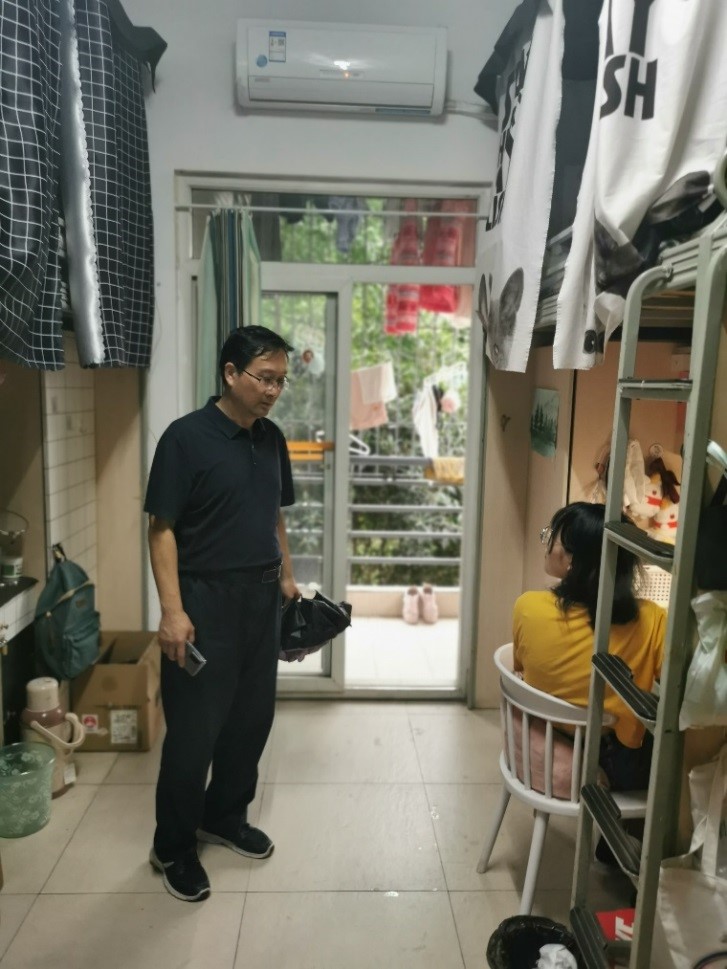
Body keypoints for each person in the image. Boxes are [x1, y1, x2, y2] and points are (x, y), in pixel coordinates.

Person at [144, 325, 299, 902]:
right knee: (193, 733)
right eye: (265, 378)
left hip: (261, 601)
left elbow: (274, 514)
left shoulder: (271, 438)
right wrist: (172, 611)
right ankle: (173, 846)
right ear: (230, 373)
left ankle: (224, 816)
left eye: (281, 381)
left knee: (251, 721)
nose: (273, 391)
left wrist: (287, 579)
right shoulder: (185, 438)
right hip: (204, 602)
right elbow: (161, 528)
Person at [512, 502, 665, 793]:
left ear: (573, 559)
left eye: (551, 536)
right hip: (610, 760)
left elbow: (521, 668)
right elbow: (679, 681)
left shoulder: (527, 607)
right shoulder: (653, 620)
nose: (546, 544)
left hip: (544, 743)